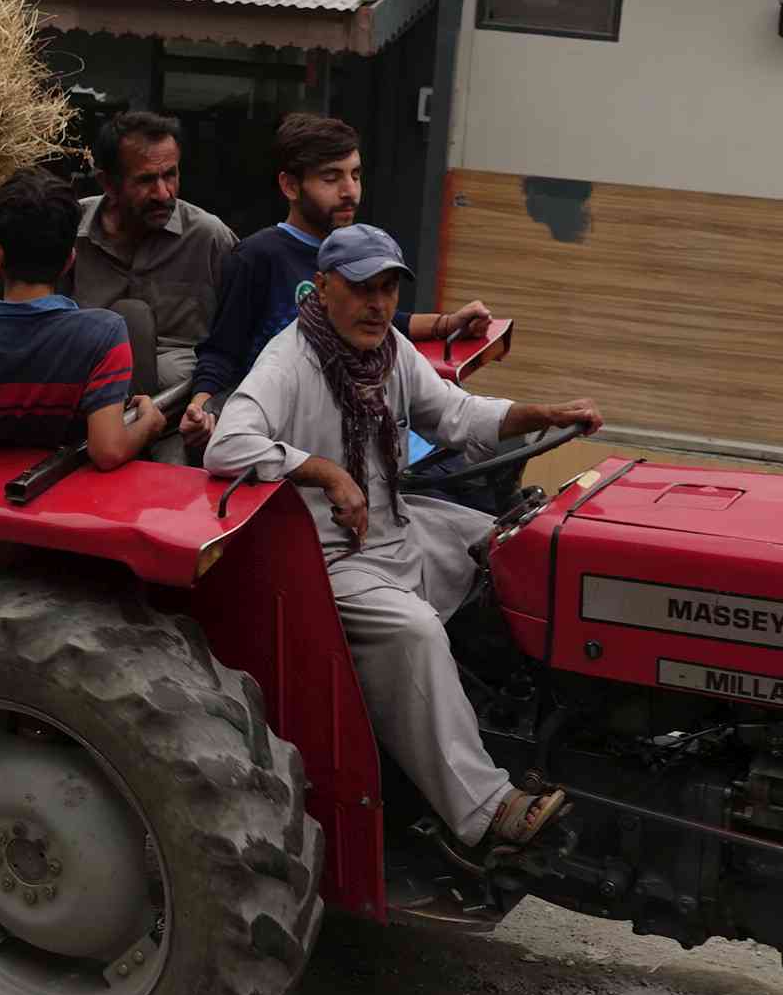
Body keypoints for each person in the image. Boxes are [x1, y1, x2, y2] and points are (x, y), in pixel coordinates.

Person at [204, 224, 602, 865]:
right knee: (414, 631)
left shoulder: (389, 350)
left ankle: (536, 724)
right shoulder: (288, 361)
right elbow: (227, 445)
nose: (378, 304)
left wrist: (544, 413)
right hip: (330, 557)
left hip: (397, 528)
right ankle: (484, 810)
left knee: (515, 544)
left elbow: (456, 414)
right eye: (363, 288)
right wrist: (326, 472)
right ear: (324, 287)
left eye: (388, 289)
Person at [183, 112, 491, 444]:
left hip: (360, 415)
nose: (349, 191)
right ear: (290, 186)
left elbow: (386, 322)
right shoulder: (258, 256)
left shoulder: (355, 249)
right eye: (331, 178)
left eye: (355, 176)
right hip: (291, 430)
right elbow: (222, 352)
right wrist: (201, 409)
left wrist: (448, 324)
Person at [0, 168, 159, 471]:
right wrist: (149, 423)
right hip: (72, 498)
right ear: (69, 260)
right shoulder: (105, 334)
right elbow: (108, 450)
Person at [70, 110, 235, 394]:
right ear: (108, 183)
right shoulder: (70, 230)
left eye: (170, 175)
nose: (163, 193)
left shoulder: (209, 237)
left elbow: (241, 336)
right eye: (145, 180)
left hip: (182, 409)